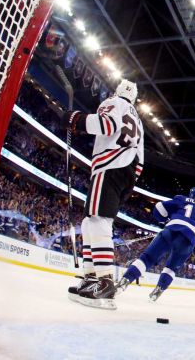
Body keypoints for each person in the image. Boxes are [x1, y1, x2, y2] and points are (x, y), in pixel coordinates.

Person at [63, 79, 144, 310]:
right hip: (125, 170)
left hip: (109, 165)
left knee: (98, 221)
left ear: (117, 92)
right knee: (89, 222)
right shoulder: (137, 118)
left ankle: (106, 282)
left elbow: (106, 125)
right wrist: (129, 182)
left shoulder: (113, 102)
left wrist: (74, 119)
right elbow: (141, 157)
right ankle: (91, 278)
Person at [116, 187, 195, 301]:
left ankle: (124, 282)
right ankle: (159, 289)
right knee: (171, 268)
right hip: (189, 239)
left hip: (171, 230)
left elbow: (159, 207)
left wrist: (164, 220)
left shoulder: (182, 199)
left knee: (147, 259)